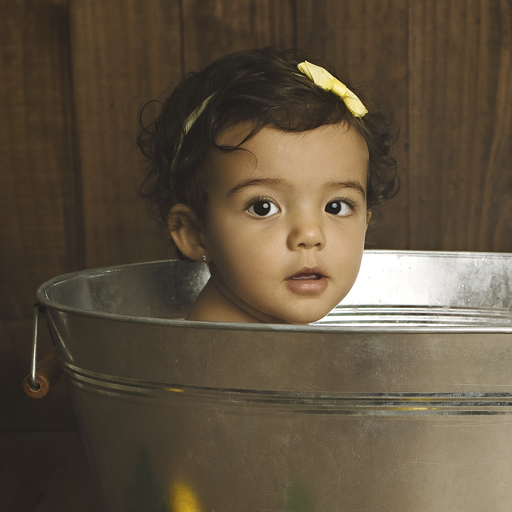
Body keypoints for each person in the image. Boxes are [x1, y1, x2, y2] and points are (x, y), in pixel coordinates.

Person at [138, 48, 398, 323]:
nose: (310, 234)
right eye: (263, 207)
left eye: (336, 206)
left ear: (365, 223)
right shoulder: (224, 358)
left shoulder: (266, 343)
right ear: (194, 233)